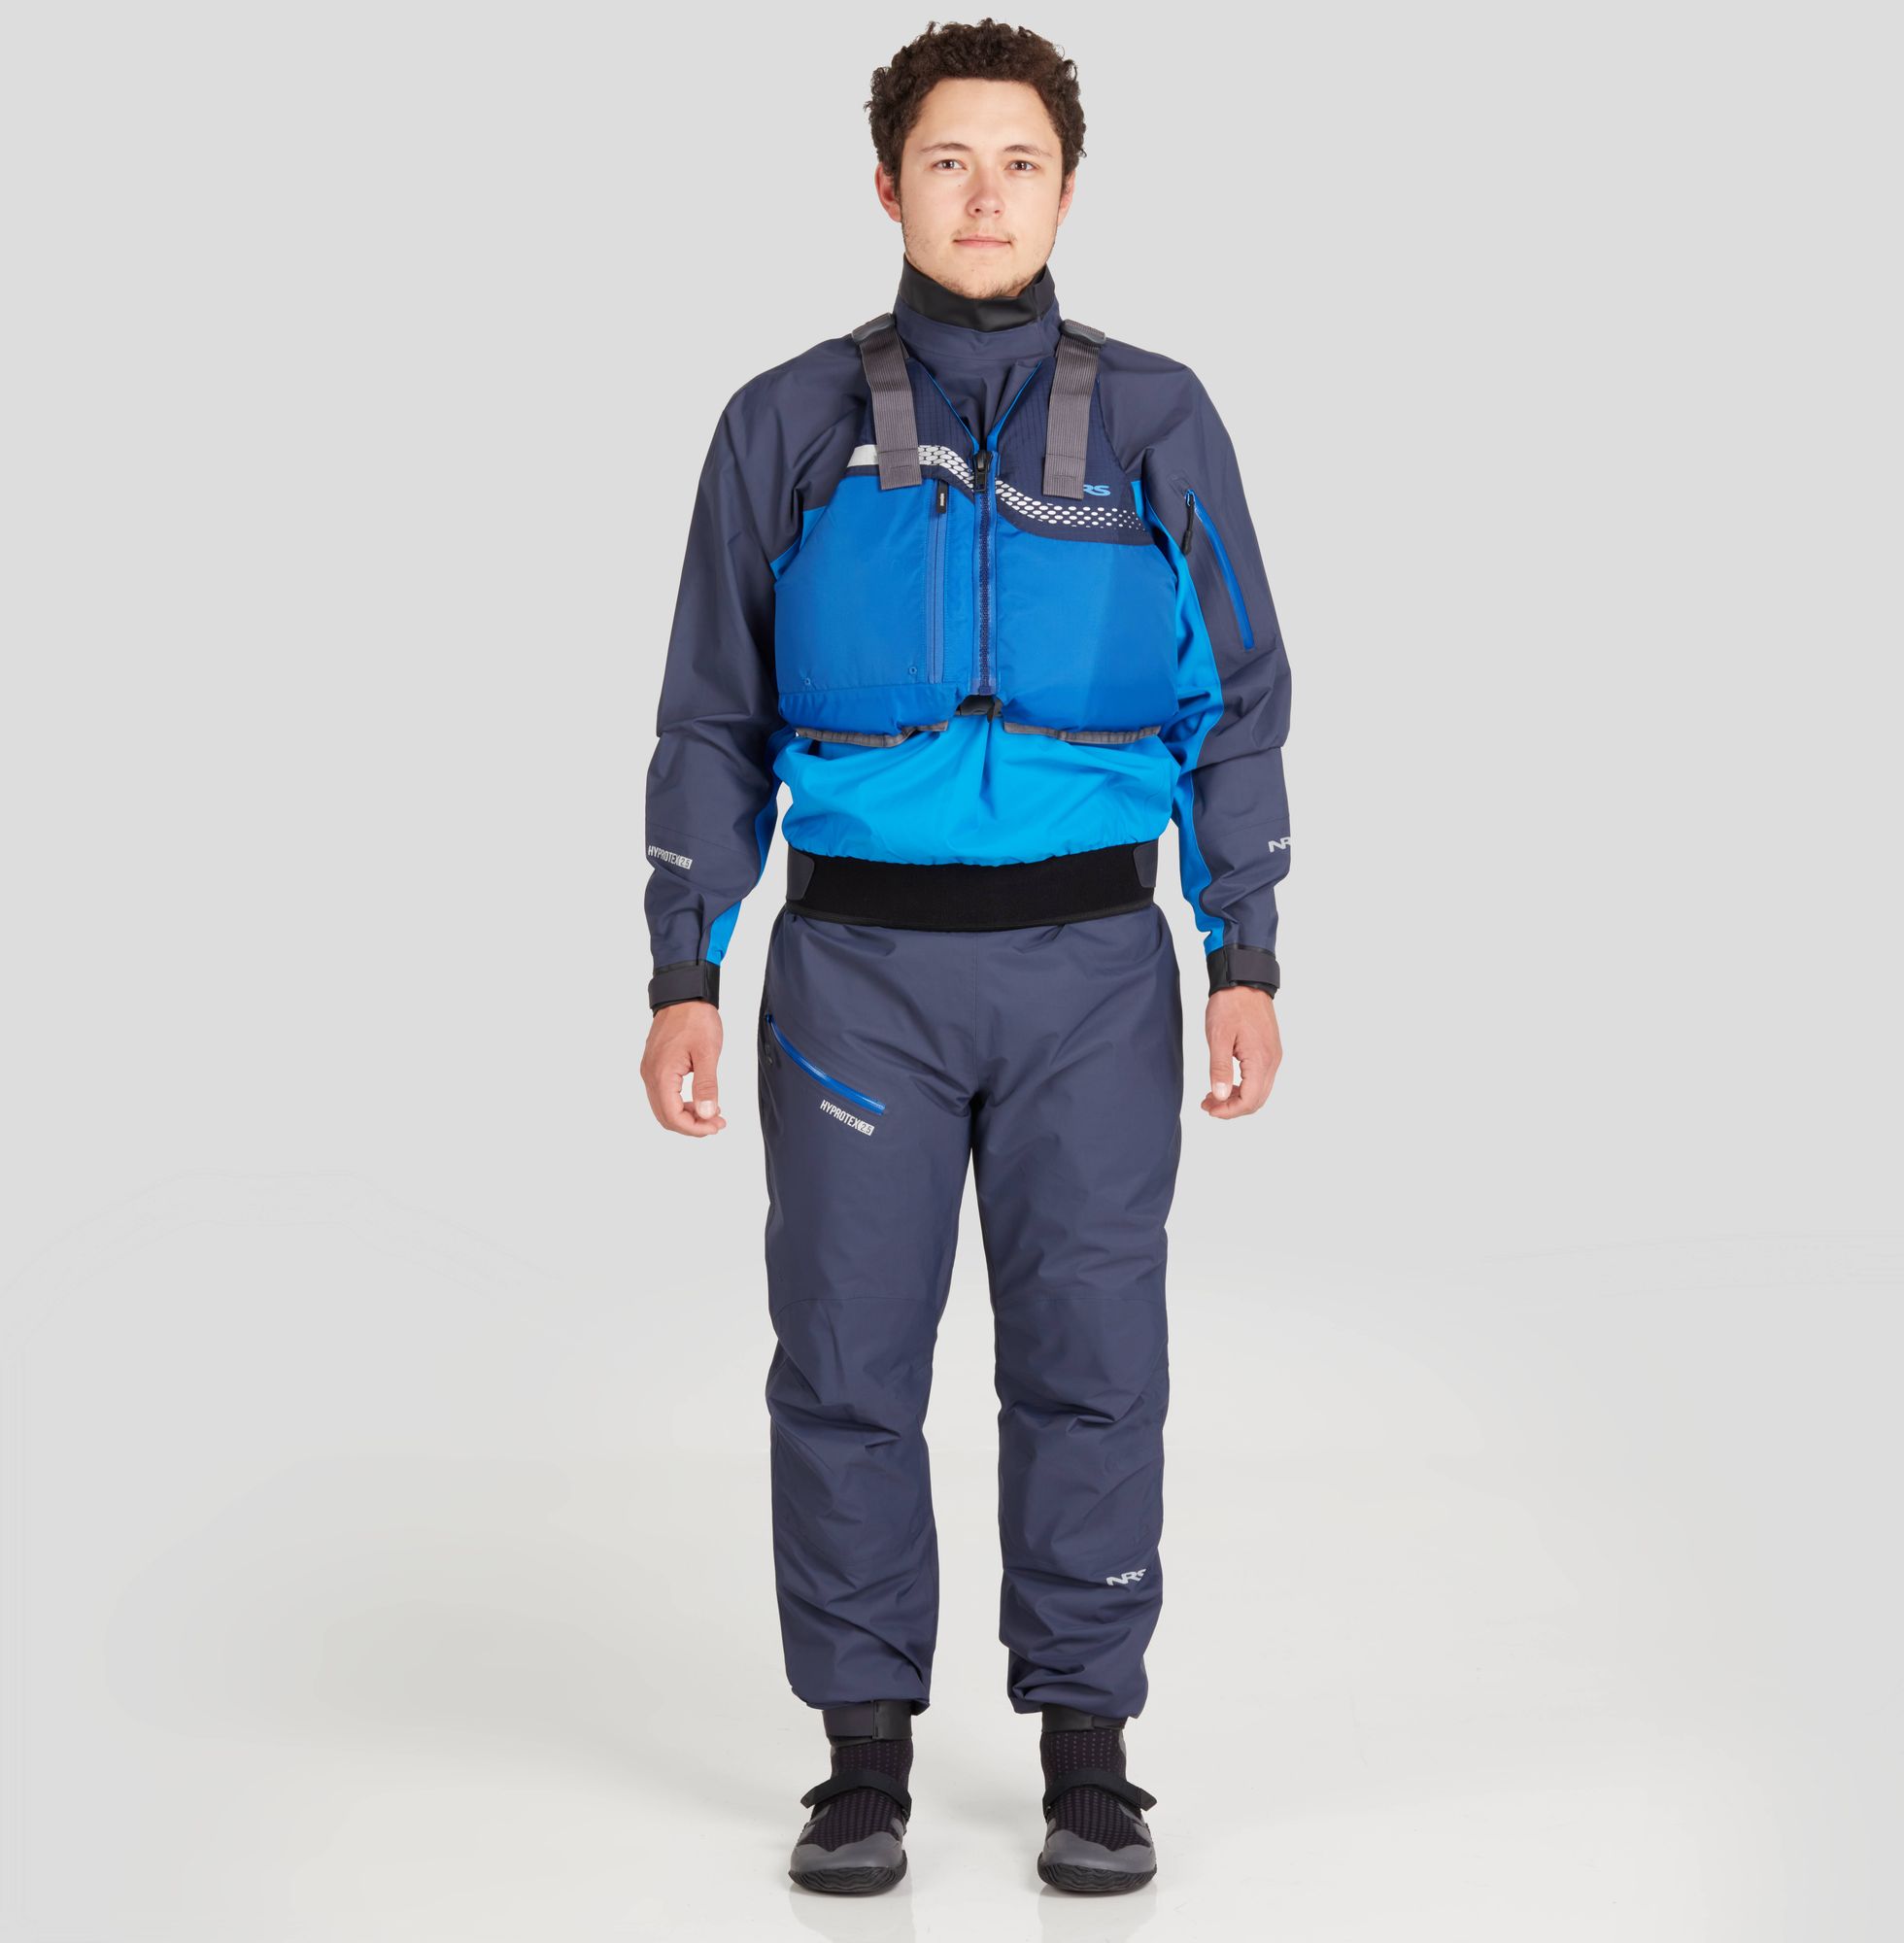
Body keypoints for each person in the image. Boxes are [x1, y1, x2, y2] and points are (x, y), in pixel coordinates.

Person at [639, 19, 1289, 1897]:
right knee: (848, 1363)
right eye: (948, 161)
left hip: (1096, 974)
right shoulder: (782, 425)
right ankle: (862, 1761)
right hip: (858, 981)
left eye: (1019, 163)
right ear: (887, 186)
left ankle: (1090, 1752)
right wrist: (684, 970)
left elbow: (1238, 698)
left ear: (1068, 190)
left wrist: (1245, 950)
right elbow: (708, 715)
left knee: (1093, 1357)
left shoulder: (1158, 418)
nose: (984, 196)